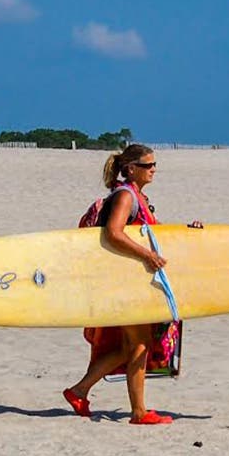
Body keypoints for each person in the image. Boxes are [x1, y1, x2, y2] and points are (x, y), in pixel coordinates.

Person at [64, 143, 179, 426]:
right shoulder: (126, 196)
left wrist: (191, 231)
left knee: (131, 346)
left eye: (155, 164)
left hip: (130, 282)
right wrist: (147, 255)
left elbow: (154, 232)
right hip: (122, 284)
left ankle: (79, 391)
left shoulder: (138, 196)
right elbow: (114, 233)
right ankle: (139, 412)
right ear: (131, 168)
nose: (153, 169)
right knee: (139, 343)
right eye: (148, 165)